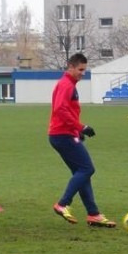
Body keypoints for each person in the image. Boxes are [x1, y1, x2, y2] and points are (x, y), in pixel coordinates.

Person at [48, 53, 116, 228]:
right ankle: (63, 204)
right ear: (70, 67)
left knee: (82, 174)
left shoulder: (69, 84)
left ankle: (93, 214)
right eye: (80, 69)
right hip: (62, 135)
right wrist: (81, 127)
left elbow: (67, 110)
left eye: (84, 70)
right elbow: (60, 110)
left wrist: (77, 131)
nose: (83, 73)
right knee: (87, 169)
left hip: (64, 134)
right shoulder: (66, 85)